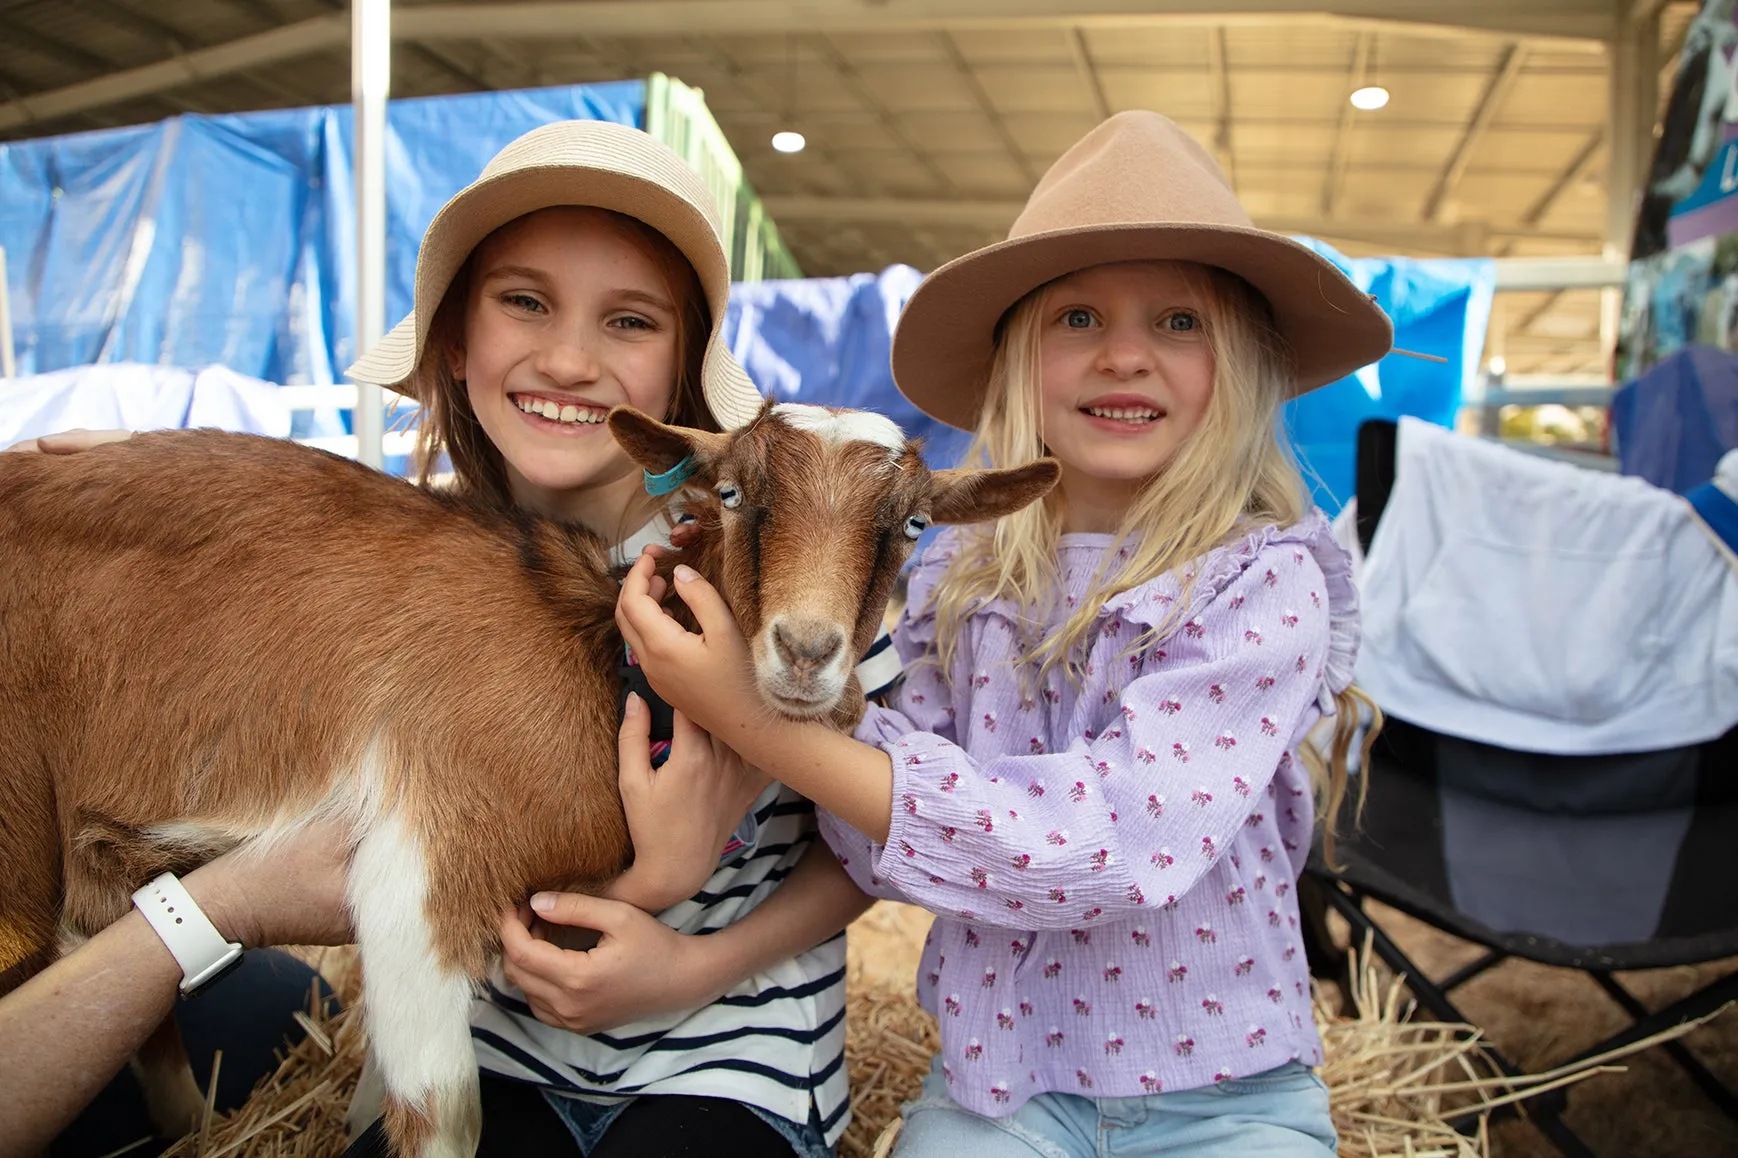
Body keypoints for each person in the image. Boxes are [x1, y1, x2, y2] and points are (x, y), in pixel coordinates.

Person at [4, 119, 874, 1158]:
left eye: (630, 321)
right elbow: (308, 523)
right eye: (524, 302)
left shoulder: (779, 556)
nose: (569, 359)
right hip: (507, 1047)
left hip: (732, 1048)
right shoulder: (434, 555)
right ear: (457, 341)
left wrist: (697, 958)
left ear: (682, 370)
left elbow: (866, 841)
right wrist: (141, 483)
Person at [617, 109, 1391, 1157]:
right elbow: (878, 844)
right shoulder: (958, 579)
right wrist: (798, 684)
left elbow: (1117, 843)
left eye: (1179, 322)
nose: (1125, 355)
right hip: (1001, 1087)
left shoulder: (1264, 585)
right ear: (1019, 360)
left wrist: (755, 723)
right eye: (1078, 318)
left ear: (1243, 365)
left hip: (1228, 1098)